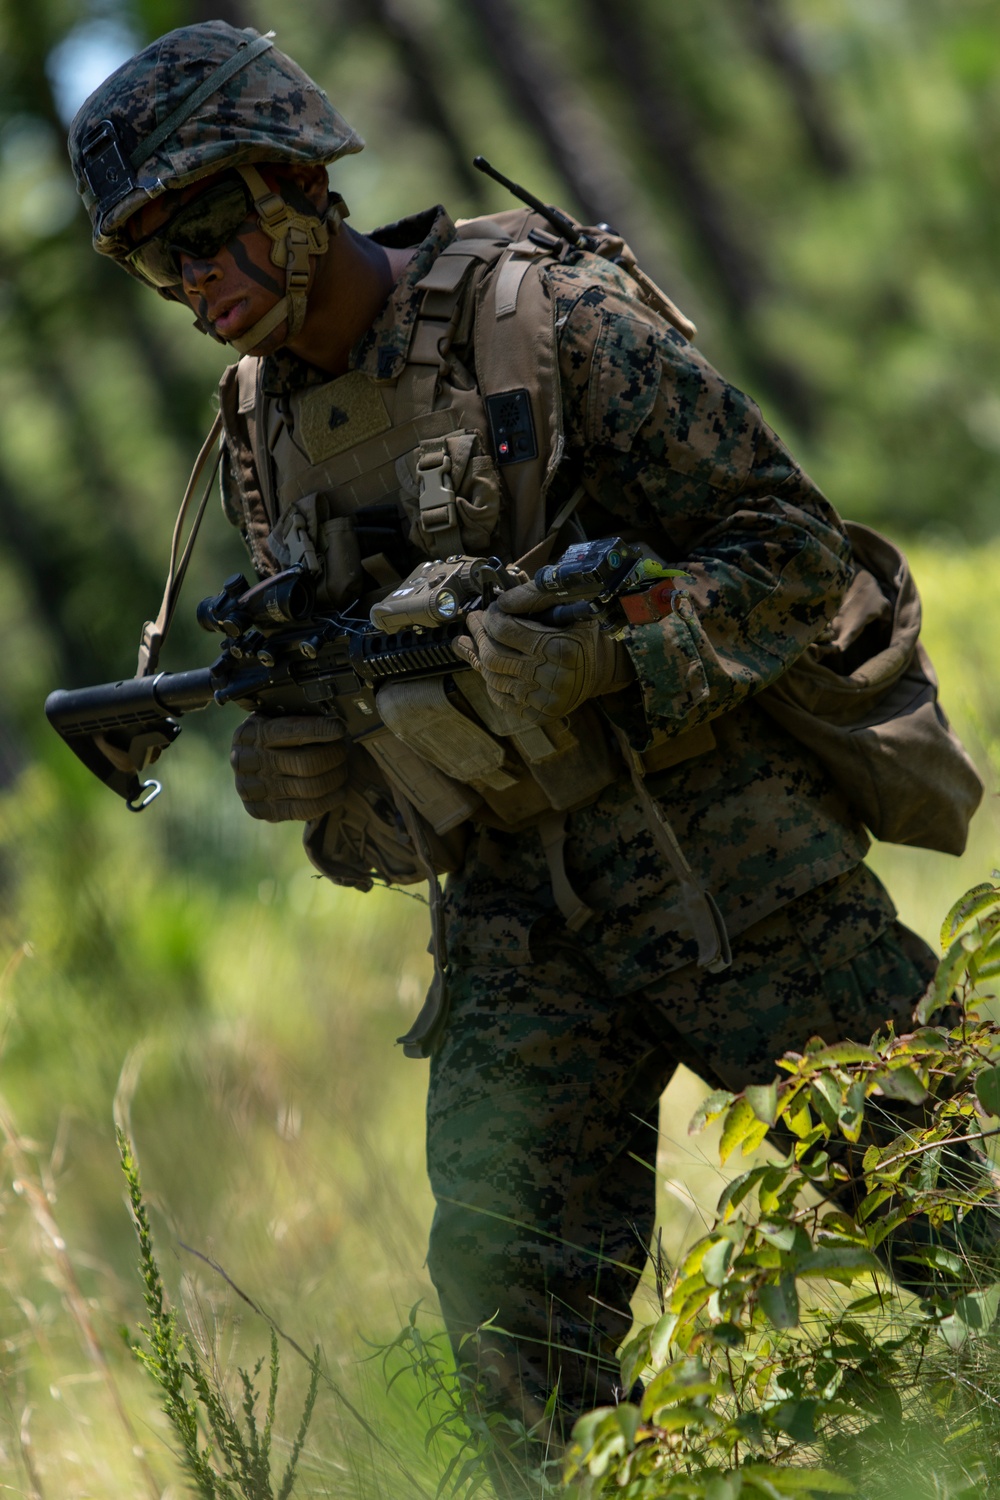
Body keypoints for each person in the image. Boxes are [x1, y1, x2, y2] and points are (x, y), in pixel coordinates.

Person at [68, 21, 976, 1494]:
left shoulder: (542, 322)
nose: (200, 283)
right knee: (512, 1338)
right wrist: (317, 783)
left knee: (958, 1203)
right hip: (509, 915)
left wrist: (622, 650)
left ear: (302, 180)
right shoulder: (257, 433)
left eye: (215, 230)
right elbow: (365, 721)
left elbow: (792, 550)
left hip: (722, 853)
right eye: (159, 262)